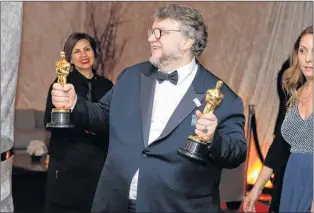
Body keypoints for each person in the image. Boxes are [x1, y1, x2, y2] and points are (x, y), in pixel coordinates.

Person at [51, 5, 247, 212]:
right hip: (115, 202)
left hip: (175, 206)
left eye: (160, 32)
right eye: (152, 31)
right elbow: (101, 115)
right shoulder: (131, 76)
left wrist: (213, 139)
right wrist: (73, 103)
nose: (151, 38)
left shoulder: (221, 95)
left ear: (187, 41)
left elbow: (237, 152)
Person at [243, 25, 313, 212]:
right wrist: (257, 188)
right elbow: (281, 145)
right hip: (292, 179)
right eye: (303, 51)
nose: (308, 59)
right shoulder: (296, 93)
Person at [44, 32, 113, 212]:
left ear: (94, 53)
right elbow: (49, 121)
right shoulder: (61, 84)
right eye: (77, 51)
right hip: (68, 162)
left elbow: (113, 122)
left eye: (87, 49)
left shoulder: (108, 86)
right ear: (69, 59)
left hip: (98, 163)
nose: (83, 55)